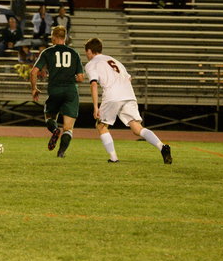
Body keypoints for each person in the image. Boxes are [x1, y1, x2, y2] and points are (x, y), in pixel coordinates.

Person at [84, 37, 172, 164]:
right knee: (137, 128)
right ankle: (162, 147)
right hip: (128, 93)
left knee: (101, 125)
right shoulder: (114, 60)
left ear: (89, 51)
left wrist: (95, 107)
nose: (86, 55)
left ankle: (113, 158)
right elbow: (128, 78)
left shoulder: (91, 64)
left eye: (86, 52)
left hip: (112, 94)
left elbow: (93, 84)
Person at [30, 26, 84, 158]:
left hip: (55, 90)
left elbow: (33, 72)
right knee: (68, 128)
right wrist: (70, 77)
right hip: (71, 91)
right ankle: (61, 153)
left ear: (53, 37)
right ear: (65, 37)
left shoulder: (47, 52)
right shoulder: (74, 53)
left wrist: (34, 88)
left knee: (49, 116)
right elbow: (81, 78)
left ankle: (54, 130)